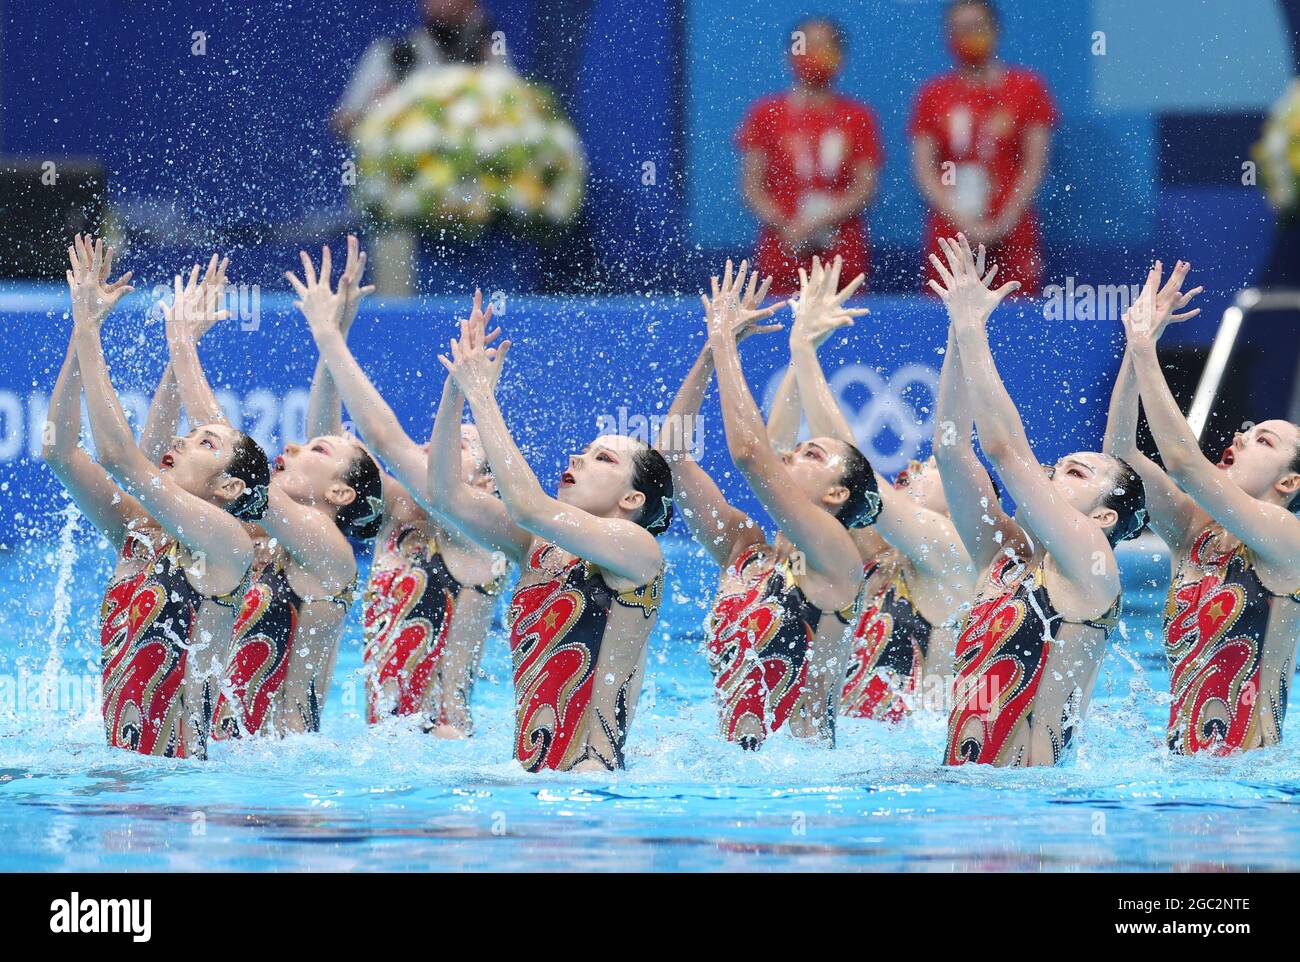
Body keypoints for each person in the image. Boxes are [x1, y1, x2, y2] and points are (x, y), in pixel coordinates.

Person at [44, 236, 269, 758]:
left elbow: (123, 460)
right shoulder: (140, 534)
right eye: (188, 436)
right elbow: (60, 452)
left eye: (204, 442)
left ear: (230, 488)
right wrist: (82, 343)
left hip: (182, 793)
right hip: (130, 784)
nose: (180, 441)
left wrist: (88, 327)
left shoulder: (226, 545)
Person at [931, 235, 1146, 766]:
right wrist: (958, 338)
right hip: (968, 797)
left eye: (1075, 472)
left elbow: (1004, 449)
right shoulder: (1003, 561)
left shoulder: (1090, 566)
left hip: (1030, 817)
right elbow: (951, 451)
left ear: (1102, 516)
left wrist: (974, 328)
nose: (1048, 475)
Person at [429, 307, 671, 773]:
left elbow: (528, 505)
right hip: (532, 784)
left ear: (632, 498)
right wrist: (456, 391)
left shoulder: (638, 550)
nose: (577, 457)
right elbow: (444, 495)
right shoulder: (537, 545)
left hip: (592, 789)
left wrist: (483, 396)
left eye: (602, 459)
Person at [157, 252, 385, 739]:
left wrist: (182, 343)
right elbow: (325, 431)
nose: (293, 445)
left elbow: (227, 450)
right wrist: (334, 335)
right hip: (233, 762)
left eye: (315, 450)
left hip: (284, 779)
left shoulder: (331, 556)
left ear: (340, 493)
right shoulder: (272, 534)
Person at [658, 260, 878, 750]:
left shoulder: (836, 558)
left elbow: (750, 456)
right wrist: (710, 358)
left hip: (809, 783)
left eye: (811, 453)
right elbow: (671, 459)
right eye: (794, 449)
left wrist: (724, 343)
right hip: (737, 780)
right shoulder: (744, 549)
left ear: (837, 494)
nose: (789, 454)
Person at [299, 238, 505, 737]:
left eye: (458, 446)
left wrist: (328, 336)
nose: (432, 450)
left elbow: (383, 439)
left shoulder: (479, 539)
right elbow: (327, 458)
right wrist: (336, 341)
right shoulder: (402, 516)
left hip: (445, 751)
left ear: (483, 482)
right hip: (389, 750)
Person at [767, 256, 985, 722]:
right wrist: (797, 355)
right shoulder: (871, 554)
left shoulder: (953, 556)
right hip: (856, 756)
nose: (911, 465)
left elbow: (849, 469)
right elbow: (782, 468)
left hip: (925, 770)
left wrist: (804, 351)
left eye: (930, 470)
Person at [1111, 261, 1300, 755]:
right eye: (1247, 430)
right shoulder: (1195, 531)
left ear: (1289, 482)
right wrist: (1135, 350)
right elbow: (1122, 452)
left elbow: (1183, 462)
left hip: (1252, 791)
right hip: (1186, 777)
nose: (1240, 436)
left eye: (1263, 440)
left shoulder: (1286, 537)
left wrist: (1148, 348)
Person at [910, 0, 1056, 296]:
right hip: (951, 231)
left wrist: (1003, 221)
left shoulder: (1026, 87)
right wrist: (964, 222)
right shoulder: (933, 94)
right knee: (949, 325)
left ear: (996, 30)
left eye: (976, 26)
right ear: (947, 35)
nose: (968, 35)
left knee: (1017, 323)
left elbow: (1035, 164)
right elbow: (925, 171)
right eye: (959, 28)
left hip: (1012, 230)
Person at [736, 17, 884, 296]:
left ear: (839, 56)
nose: (814, 53)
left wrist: (818, 222)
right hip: (783, 248)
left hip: (841, 251)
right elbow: (751, 187)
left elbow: (865, 188)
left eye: (824, 45)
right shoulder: (766, 114)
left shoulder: (858, 117)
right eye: (807, 45)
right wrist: (788, 225)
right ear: (790, 54)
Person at [332, 0, 500, 139]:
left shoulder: (489, 55)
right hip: (401, 173)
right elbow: (342, 124)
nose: (445, 5)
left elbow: (515, 112)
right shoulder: (392, 54)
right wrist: (378, 108)